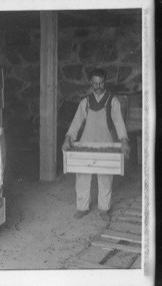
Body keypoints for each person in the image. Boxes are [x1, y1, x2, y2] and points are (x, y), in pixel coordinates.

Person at [62, 68, 130, 222]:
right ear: (90, 83)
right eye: (95, 83)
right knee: (82, 176)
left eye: (100, 83)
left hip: (106, 143)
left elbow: (119, 122)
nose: (98, 86)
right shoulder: (85, 102)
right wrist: (68, 138)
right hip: (86, 143)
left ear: (104, 82)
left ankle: (104, 208)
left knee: (105, 177)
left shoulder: (112, 100)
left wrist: (124, 140)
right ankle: (82, 207)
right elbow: (76, 122)